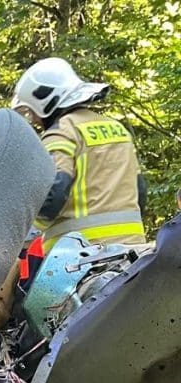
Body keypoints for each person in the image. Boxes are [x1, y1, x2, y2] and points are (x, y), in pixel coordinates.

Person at [12, 57, 147, 251]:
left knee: (20, 281)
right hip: (133, 252)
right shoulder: (118, 129)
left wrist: (22, 234)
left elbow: (53, 194)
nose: (34, 120)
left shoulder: (62, 132)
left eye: (32, 112)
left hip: (80, 257)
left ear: (46, 102)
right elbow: (139, 191)